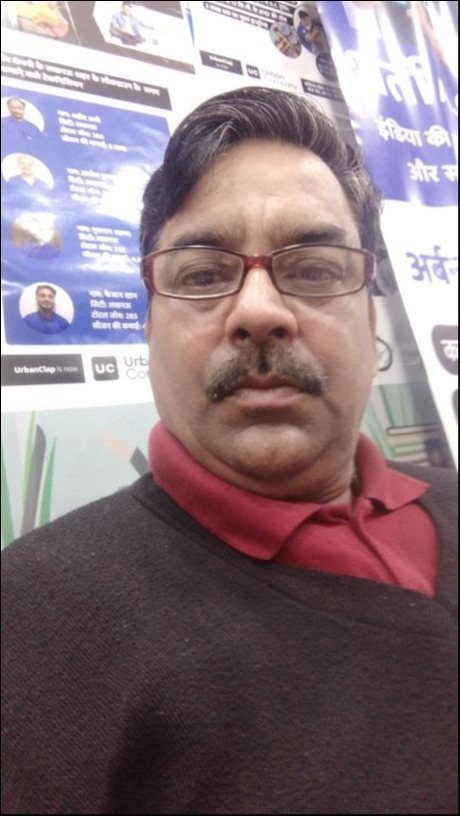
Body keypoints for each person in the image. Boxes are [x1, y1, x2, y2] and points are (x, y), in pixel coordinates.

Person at [1, 87, 457, 814]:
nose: (260, 311)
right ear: (149, 327)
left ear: (370, 316)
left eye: (313, 269)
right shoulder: (33, 624)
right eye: (204, 275)